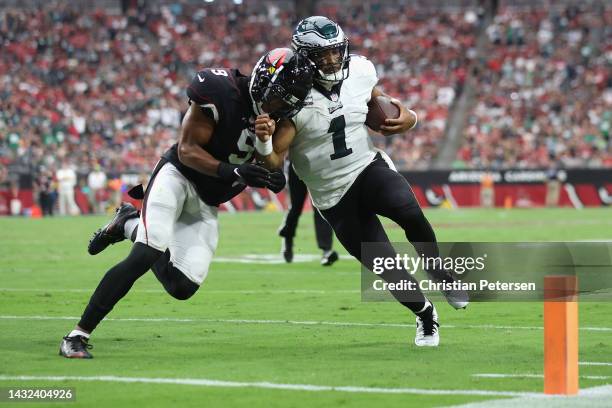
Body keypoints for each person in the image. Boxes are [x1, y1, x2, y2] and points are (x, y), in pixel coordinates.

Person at [59, 48, 314, 359]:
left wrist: (271, 176)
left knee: (182, 286)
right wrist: (233, 171)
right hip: (177, 177)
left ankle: (127, 223)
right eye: (280, 97)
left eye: (290, 101)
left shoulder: (283, 118)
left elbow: (271, 162)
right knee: (146, 253)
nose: (282, 106)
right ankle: (77, 335)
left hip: (208, 199)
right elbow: (187, 150)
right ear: (264, 80)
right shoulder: (219, 90)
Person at [255, 17, 469, 347]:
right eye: (322, 54)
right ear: (305, 57)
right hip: (332, 195)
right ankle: (426, 315)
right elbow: (273, 162)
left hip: (366, 168)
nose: (331, 60)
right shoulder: (291, 94)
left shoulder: (360, 70)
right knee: (387, 267)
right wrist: (265, 141)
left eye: (335, 52)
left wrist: (409, 117)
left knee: (408, 209)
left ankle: (439, 270)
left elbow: (381, 105)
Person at [278, 162, 338, 265]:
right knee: (296, 207)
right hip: (298, 166)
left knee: (320, 206)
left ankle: (326, 250)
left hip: (317, 167)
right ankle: (288, 238)